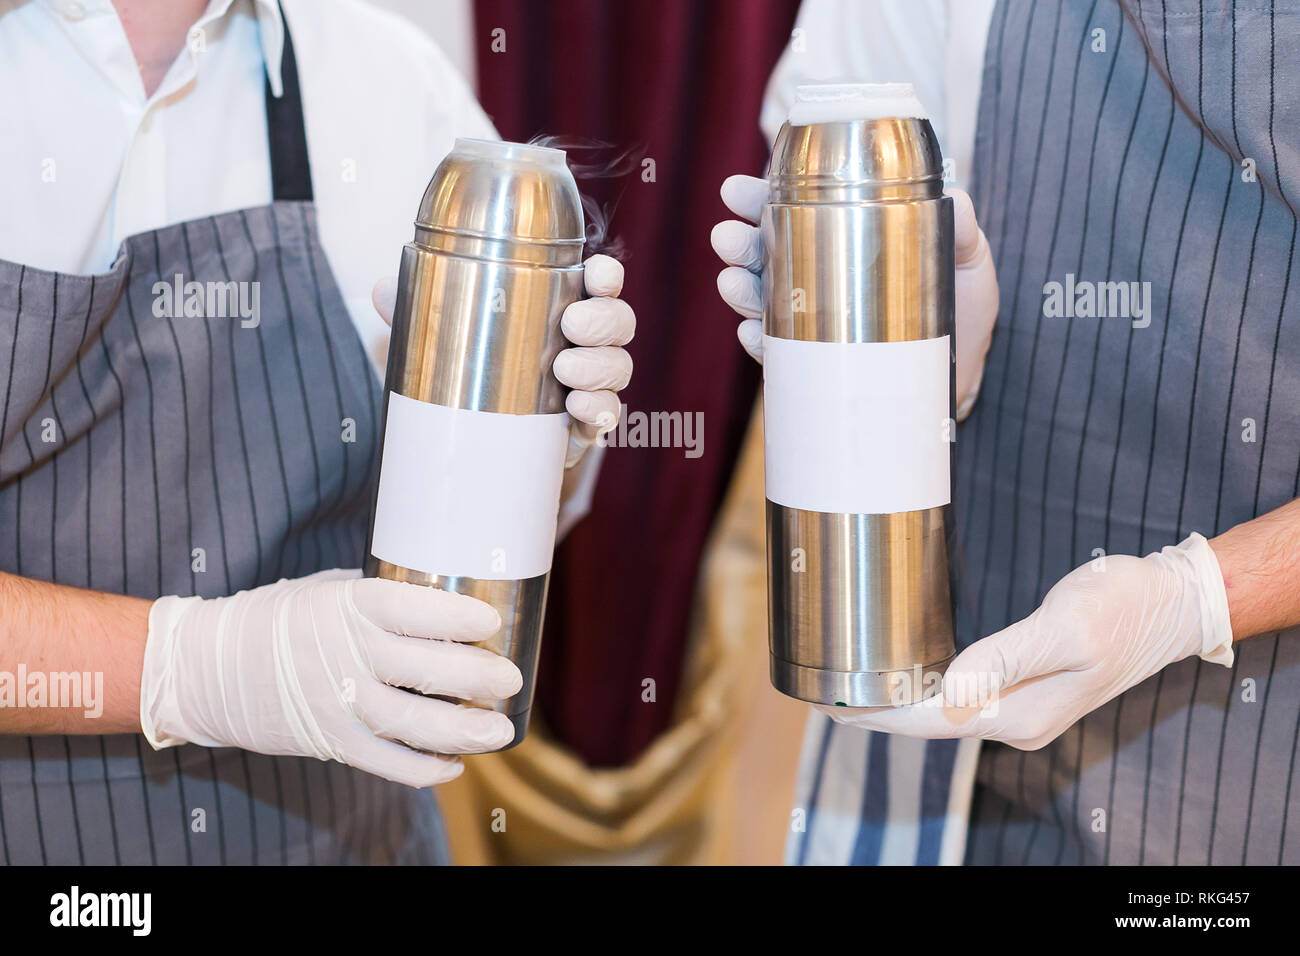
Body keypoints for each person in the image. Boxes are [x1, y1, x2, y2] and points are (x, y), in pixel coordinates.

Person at [0, 0, 635, 865]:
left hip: (351, 840)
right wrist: (194, 668)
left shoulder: (389, 83)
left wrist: (527, 451)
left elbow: (499, 542)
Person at [714, 0, 1300, 865]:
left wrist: (1196, 599)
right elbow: (840, 126)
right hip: (929, 723)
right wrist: (918, 364)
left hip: (1249, 786)